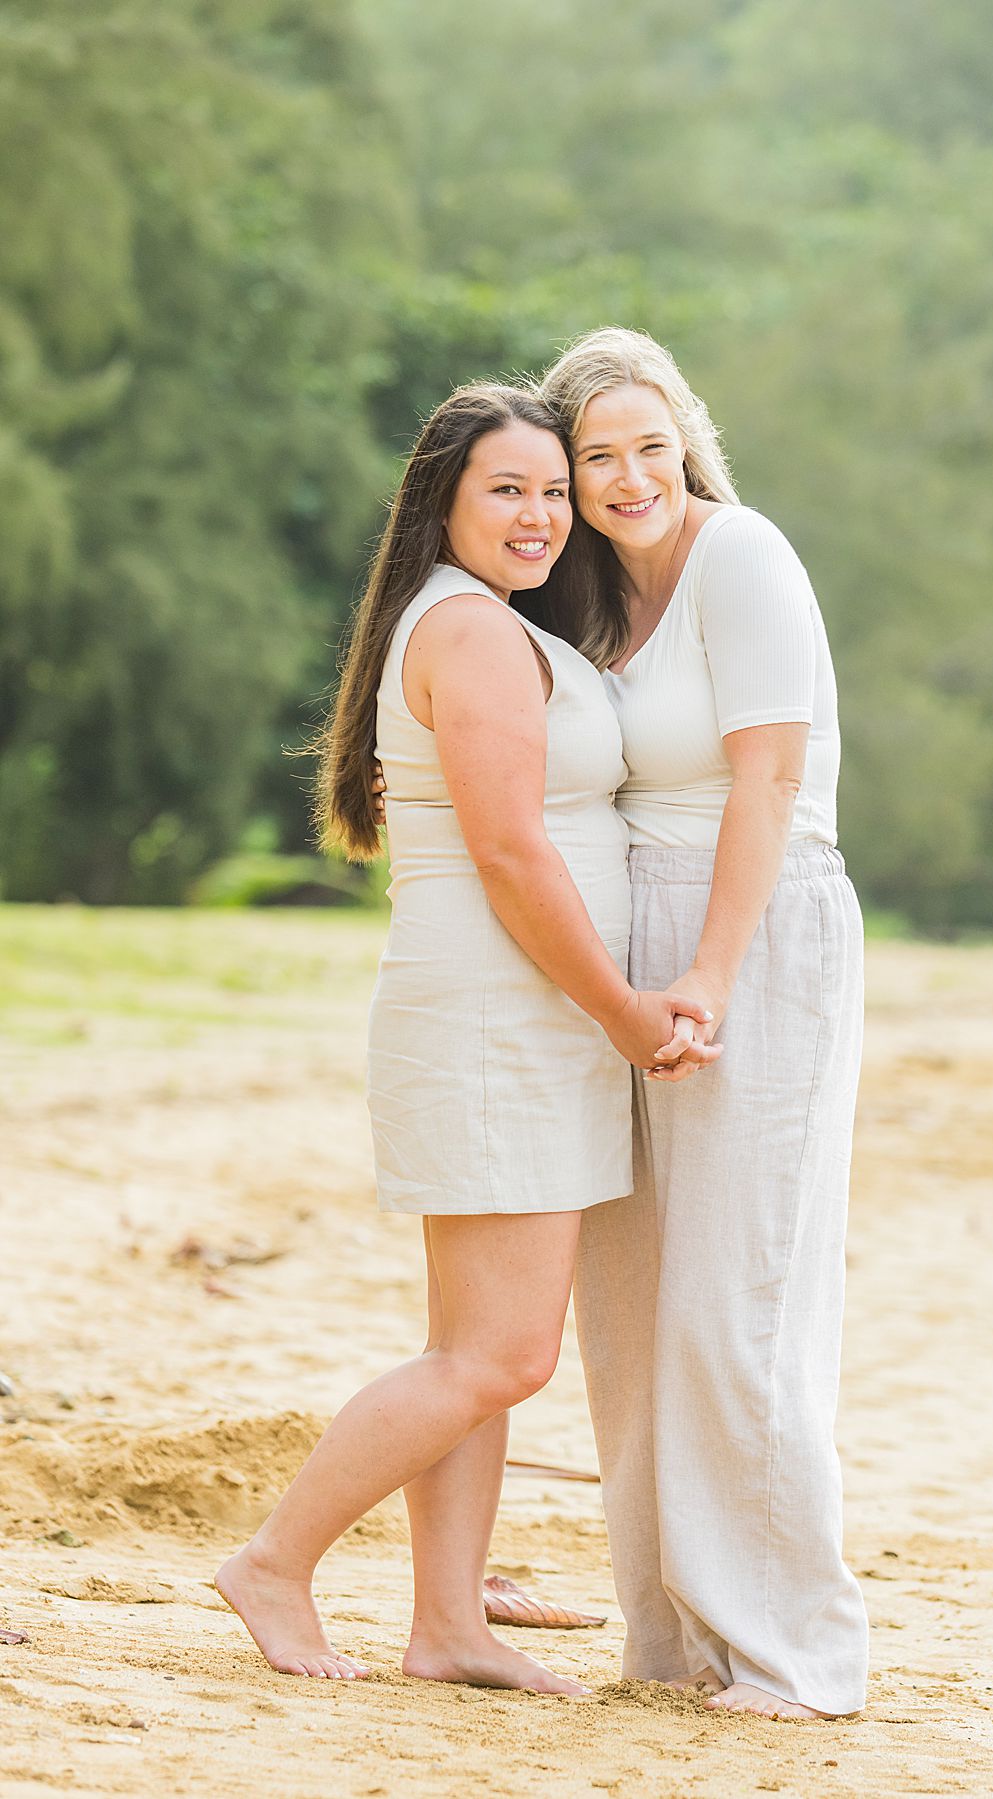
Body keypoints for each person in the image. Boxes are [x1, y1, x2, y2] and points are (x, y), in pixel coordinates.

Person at [215, 383, 715, 1691]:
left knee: (471, 1349)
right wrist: (621, 1013)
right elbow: (508, 848)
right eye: (511, 488)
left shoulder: (480, 627)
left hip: (508, 1022)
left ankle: (446, 1625)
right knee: (502, 1353)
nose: (543, 513)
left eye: (554, 490)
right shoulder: (477, 639)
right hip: (502, 1023)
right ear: (442, 501)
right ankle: (275, 1560)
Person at [535, 328, 871, 1721]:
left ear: (687, 441)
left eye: (648, 448)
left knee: (737, 1301)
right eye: (598, 458)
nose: (629, 479)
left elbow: (769, 786)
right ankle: (670, 1638)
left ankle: (795, 1653)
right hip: (629, 953)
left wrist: (712, 979)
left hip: (757, 935)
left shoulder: (744, 557)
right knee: (629, 1310)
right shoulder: (590, 595)